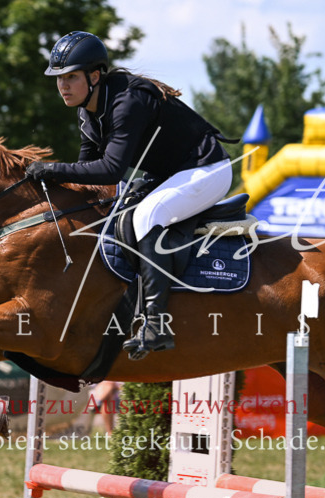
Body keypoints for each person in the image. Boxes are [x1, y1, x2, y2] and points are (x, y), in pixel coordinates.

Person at [26, 31, 236, 361]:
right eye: (59, 79)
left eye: (71, 77)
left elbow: (111, 170)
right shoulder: (87, 112)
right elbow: (87, 174)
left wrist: (51, 169)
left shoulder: (126, 102)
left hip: (207, 170)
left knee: (147, 216)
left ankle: (156, 324)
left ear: (95, 76)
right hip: (171, 174)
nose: (63, 86)